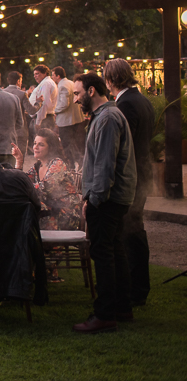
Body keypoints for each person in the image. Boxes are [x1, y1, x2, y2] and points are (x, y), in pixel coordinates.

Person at [72, 73, 137, 334]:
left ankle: (105, 313)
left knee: (103, 254)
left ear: (90, 91)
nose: (75, 99)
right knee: (114, 250)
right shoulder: (104, 117)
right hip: (114, 196)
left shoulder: (108, 118)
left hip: (108, 198)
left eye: (77, 94)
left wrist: (94, 200)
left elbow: (105, 164)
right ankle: (122, 307)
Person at [103, 58, 155, 307]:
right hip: (142, 172)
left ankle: (136, 288)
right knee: (133, 229)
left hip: (132, 176)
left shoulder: (125, 104)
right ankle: (136, 286)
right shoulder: (142, 99)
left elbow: (124, 144)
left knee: (130, 231)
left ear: (111, 80)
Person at [20, 128, 81, 231]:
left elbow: (45, 188)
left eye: (41, 144)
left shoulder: (58, 164)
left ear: (51, 148)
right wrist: (19, 162)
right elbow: (23, 180)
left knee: (26, 216)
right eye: (35, 143)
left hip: (64, 214)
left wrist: (22, 186)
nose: (35, 147)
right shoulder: (38, 166)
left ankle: (36, 245)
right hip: (49, 210)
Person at [53, 66, 86, 168]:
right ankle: (80, 164)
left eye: (53, 75)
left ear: (58, 76)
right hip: (77, 119)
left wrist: (54, 111)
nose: (52, 77)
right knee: (78, 144)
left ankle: (70, 166)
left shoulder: (62, 86)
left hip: (66, 121)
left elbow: (64, 104)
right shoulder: (71, 83)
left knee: (67, 145)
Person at [4, 71, 34, 158]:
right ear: (18, 81)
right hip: (20, 130)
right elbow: (31, 110)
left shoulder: (3, 92)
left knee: (8, 158)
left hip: (6, 130)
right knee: (20, 157)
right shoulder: (22, 94)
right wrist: (39, 102)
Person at [29, 65, 58, 130]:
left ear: (44, 73)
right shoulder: (46, 83)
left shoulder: (46, 83)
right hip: (44, 117)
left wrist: (38, 122)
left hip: (44, 119)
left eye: (37, 74)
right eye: (34, 74)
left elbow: (44, 102)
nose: (35, 76)